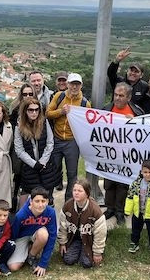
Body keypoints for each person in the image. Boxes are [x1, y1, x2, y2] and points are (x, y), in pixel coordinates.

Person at [102, 83, 144, 224]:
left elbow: (144, 132)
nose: (117, 98)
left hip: (127, 155)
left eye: (121, 96)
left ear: (129, 97)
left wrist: (134, 123)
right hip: (109, 154)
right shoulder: (106, 110)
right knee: (108, 183)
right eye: (115, 95)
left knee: (122, 184)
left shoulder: (137, 112)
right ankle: (109, 209)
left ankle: (120, 211)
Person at [47, 72, 91, 201]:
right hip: (56, 138)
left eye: (77, 84)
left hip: (72, 142)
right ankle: (48, 198)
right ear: (67, 84)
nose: (74, 87)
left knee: (72, 174)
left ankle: (68, 201)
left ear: (81, 85)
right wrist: (61, 112)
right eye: (72, 84)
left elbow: (87, 123)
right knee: (53, 170)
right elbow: (47, 113)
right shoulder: (59, 96)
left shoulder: (85, 103)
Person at [14, 97, 58, 205]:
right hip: (29, 167)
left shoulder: (44, 122)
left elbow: (50, 143)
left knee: (46, 197)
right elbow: (19, 149)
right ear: (25, 111)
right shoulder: (19, 126)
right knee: (31, 197)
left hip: (46, 166)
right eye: (30, 110)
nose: (34, 113)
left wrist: (43, 161)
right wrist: (34, 164)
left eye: (36, 109)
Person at [7, 187, 57, 277]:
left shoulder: (51, 212)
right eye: (37, 201)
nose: (40, 204)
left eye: (43, 201)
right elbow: (13, 235)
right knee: (13, 267)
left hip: (38, 235)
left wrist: (43, 264)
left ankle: (31, 256)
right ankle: (29, 248)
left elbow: (52, 237)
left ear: (47, 201)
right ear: (31, 201)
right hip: (22, 237)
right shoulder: (21, 215)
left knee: (43, 234)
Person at [58, 179, 106, 268]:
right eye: (74, 190)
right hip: (74, 238)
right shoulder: (67, 206)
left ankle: (86, 251)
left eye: (80, 191)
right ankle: (78, 249)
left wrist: (97, 253)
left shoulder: (95, 210)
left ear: (87, 193)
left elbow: (100, 233)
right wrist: (63, 243)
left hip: (88, 239)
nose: (76, 193)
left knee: (87, 263)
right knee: (68, 259)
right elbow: (62, 227)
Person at [124, 160, 150, 259]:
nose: (148, 175)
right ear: (141, 172)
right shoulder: (136, 183)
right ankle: (134, 243)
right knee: (135, 230)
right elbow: (130, 196)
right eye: (145, 172)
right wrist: (127, 210)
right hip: (137, 213)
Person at [9, 84, 36, 210]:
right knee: (18, 173)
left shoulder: (36, 108)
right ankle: (15, 198)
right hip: (18, 146)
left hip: (33, 147)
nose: (27, 96)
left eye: (30, 94)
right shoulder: (15, 110)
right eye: (25, 94)